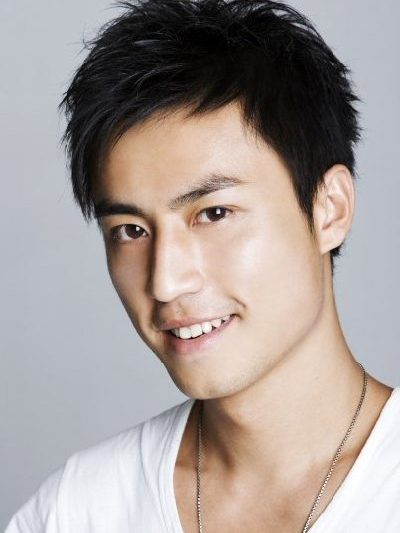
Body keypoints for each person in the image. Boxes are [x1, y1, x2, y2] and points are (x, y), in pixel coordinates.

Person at [6, 0, 400, 532]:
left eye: (214, 214)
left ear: (330, 209)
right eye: (131, 230)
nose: (165, 282)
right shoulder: (80, 510)